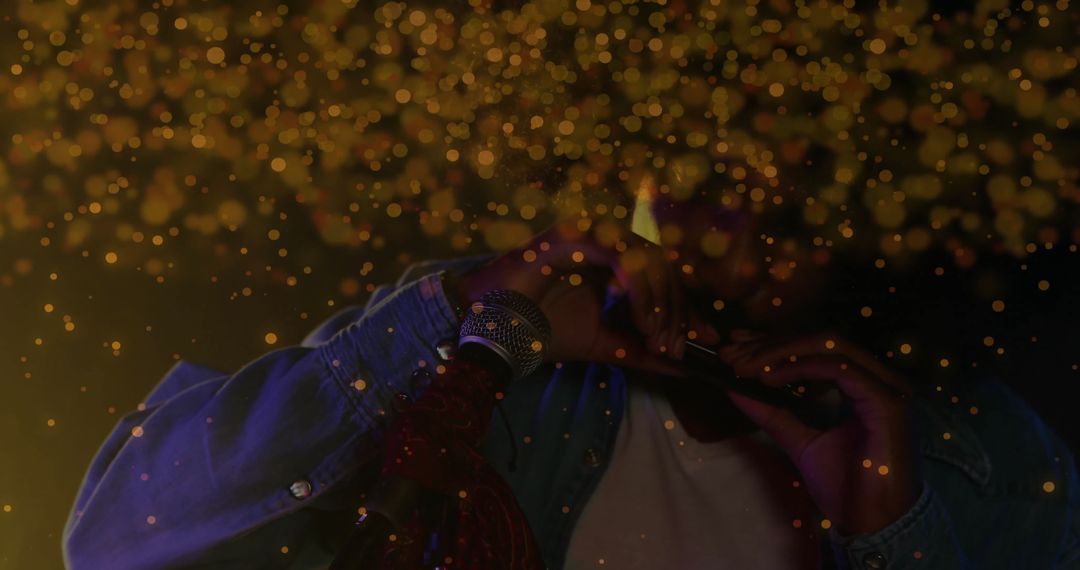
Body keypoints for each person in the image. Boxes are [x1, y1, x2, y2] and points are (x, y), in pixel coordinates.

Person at [63, 195, 1080, 570]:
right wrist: (465, 329)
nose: (715, 239)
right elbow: (117, 541)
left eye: (785, 198)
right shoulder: (476, 356)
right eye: (688, 182)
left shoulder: (985, 457)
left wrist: (893, 545)